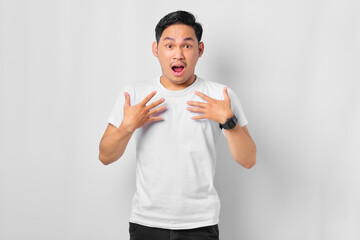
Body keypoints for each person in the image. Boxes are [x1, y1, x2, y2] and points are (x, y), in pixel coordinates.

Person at [99, 10, 256, 240]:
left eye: (187, 46)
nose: (178, 54)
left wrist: (228, 121)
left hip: (201, 224)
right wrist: (128, 126)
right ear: (156, 49)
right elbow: (105, 156)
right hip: (147, 222)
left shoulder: (220, 95)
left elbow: (249, 160)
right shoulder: (134, 94)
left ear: (200, 50)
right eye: (170, 45)